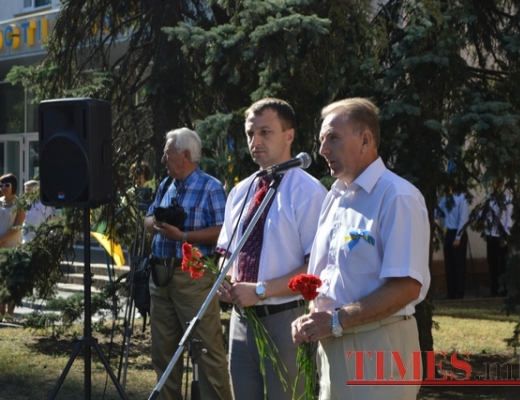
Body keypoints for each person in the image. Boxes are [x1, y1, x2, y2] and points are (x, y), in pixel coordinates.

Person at [291, 98, 430, 400]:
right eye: (321, 140)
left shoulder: (397, 196)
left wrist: (336, 320)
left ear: (365, 139)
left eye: (333, 138)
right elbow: (330, 276)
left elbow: (406, 286)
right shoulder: (335, 197)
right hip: (334, 344)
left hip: (378, 344)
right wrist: (313, 317)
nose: (322, 150)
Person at [216, 98, 327, 399]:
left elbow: (316, 268)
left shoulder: (308, 192)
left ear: (289, 135)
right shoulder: (241, 191)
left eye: (265, 132)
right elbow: (227, 254)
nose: (255, 142)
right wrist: (224, 281)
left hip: (286, 318)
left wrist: (261, 290)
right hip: (242, 320)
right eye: (250, 134)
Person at [144, 128, 232, 400]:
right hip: (161, 275)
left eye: (167, 153)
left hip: (193, 277)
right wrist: (158, 223)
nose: (163, 159)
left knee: (206, 349)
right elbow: (147, 220)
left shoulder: (210, 187)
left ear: (184, 155)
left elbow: (223, 231)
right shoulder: (165, 185)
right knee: (163, 352)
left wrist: (183, 236)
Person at [436, 184, 469, 299]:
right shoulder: (445, 198)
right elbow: (438, 212)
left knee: (459, 264)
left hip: (458, 232)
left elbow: (463, 218)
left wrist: (458, 237)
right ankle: (451, 293)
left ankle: (459, 292)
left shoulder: (462, 197)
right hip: (448, 233)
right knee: (449, 264)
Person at [0, 173, 26, 320]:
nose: (3, 188)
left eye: (6, 185)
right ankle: (1, 313)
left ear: (13, 186)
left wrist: (2, 240)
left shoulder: (19, 204)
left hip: (13, 248)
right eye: (1, 185)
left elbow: (17, 226)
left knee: (12, 282)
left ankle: (10, 314)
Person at [481, 180, 513, 297]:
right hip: (491, 235)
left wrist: (505, 235)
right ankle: (494, 289)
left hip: (502, 235)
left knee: (502, 264)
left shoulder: (507, 199)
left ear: (501, 185)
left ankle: (503, 289)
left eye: (497, 183)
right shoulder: (490, 199)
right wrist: (486, 230)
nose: (494, 186)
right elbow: (486, 217)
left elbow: (508, 218)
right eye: (493, 184)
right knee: (492, 263)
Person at [21, 180, 56, 244]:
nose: (26, 192)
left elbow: (50, 221)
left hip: (40, 240)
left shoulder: (44, 204)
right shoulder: (25, 203)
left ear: (36, 189)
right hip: (26, 241)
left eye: (28, 189)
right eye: (25, 190)